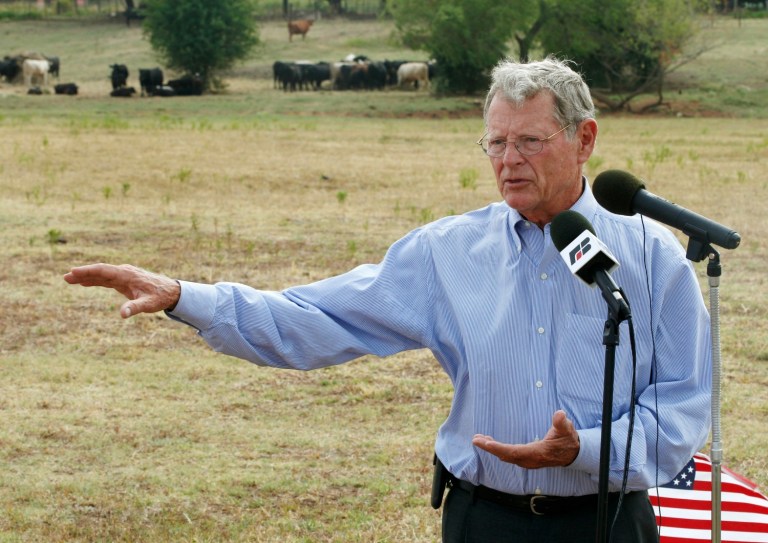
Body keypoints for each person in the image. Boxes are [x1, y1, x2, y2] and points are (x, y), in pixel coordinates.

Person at [64, 56, 711, 542]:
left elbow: (682, 405)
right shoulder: (446, 253)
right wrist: (184, 295)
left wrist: (585, 449)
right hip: (482, 519)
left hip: (606, 523)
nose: (508, 159)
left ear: (585, 140)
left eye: (529, 142)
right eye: (496, 142)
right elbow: (315, 317)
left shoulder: (652, 256)